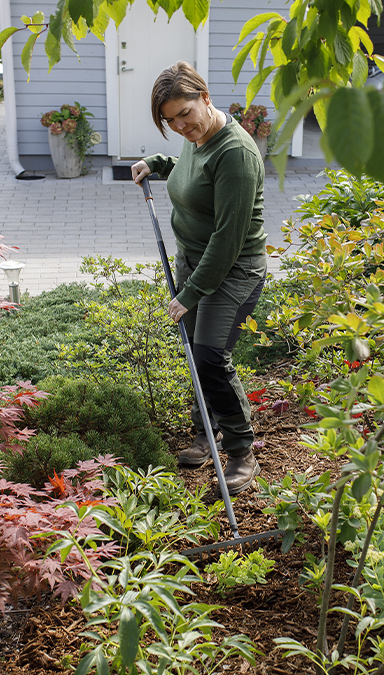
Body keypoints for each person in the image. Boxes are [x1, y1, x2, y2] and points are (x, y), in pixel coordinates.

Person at [131, 61, 267, 495]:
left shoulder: (236, 154)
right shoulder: (198, 137)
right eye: (169, 120)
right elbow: (194, 175)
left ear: (204, 98)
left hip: (233, 269)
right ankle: (208, 433)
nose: (179, 126)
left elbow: (228, 239)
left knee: (210, 356)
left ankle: (242, 452)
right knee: (195, 352)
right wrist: (158, 162)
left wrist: (190, 293)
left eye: (184, 114)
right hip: (196, 260)